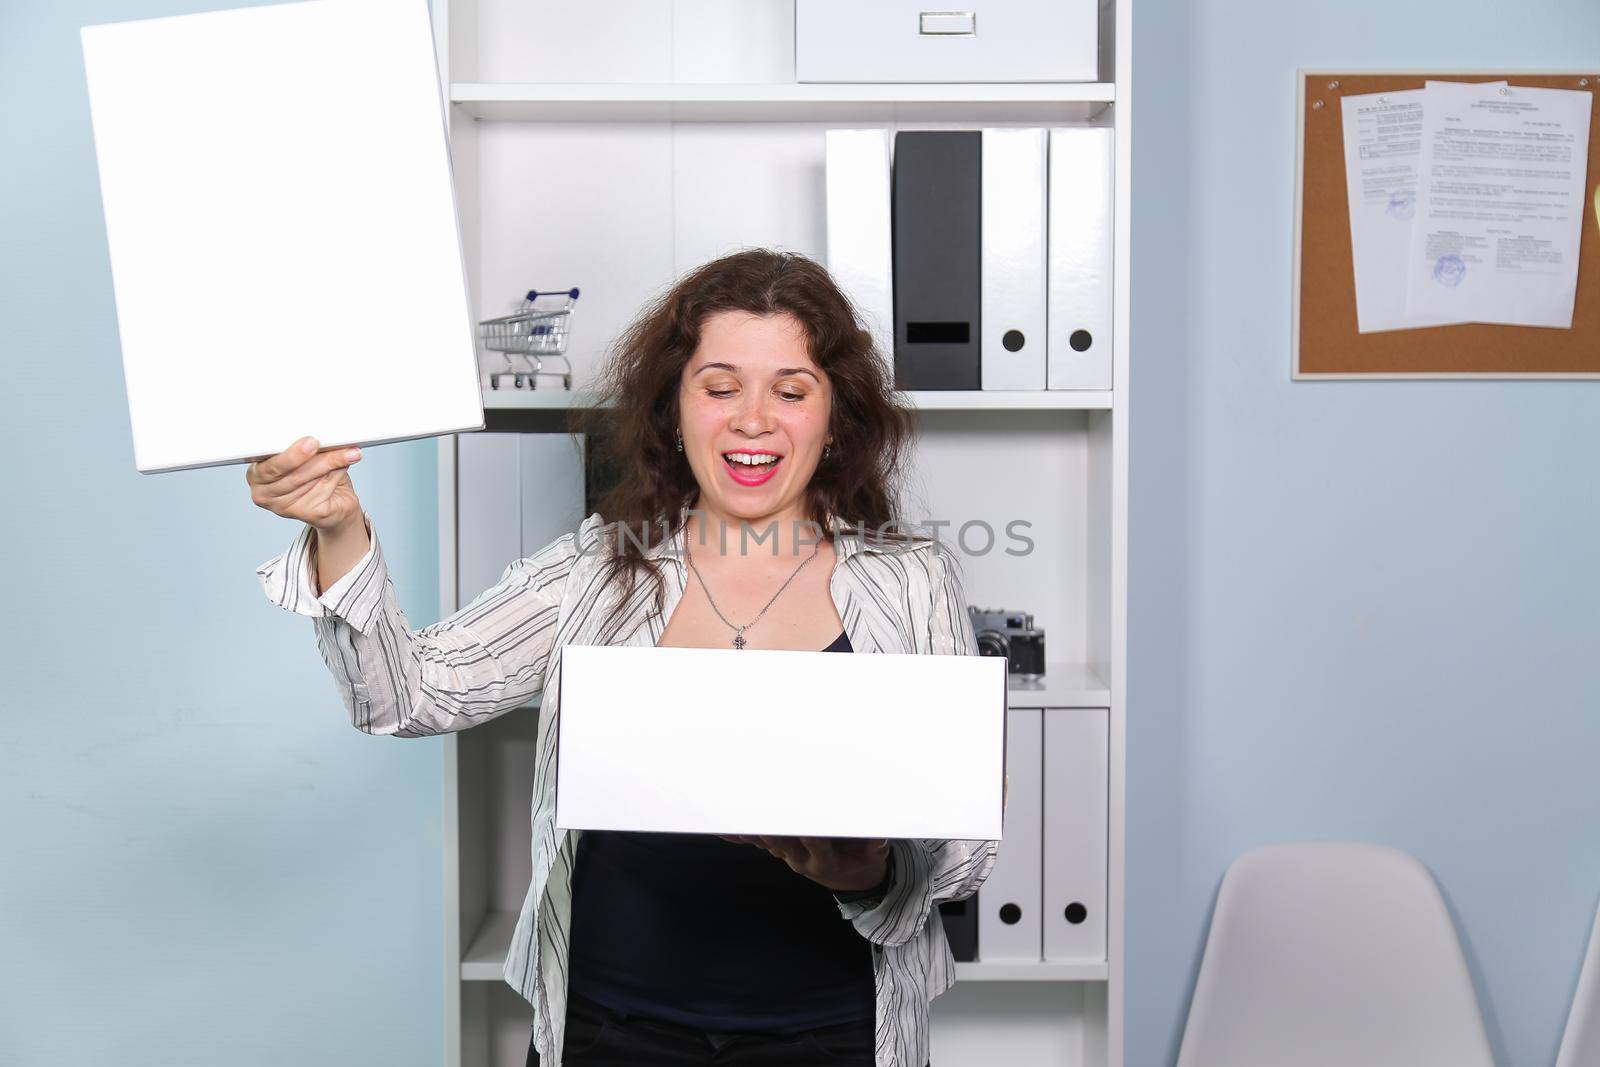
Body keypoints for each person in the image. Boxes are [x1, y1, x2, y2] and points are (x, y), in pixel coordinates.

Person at [248, 249, 997, 1067]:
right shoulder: (597, 567)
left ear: (834, 417)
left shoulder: (909, 577)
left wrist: (867, 874)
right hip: (610, 1030)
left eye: (791, 389)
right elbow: (406, 695)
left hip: (839, 1033)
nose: (753, 419)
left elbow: (962, 856)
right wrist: (338, 526)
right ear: (674, 410)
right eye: (719, 388)